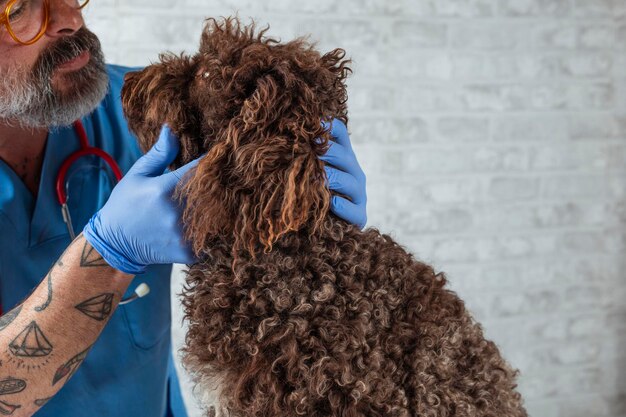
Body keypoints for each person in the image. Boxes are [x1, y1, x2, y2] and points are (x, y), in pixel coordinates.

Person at [0, 1, 368, 416]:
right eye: (17, 11)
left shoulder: (137, 108)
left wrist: (310, 197)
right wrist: (109, 254)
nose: (70, 20)